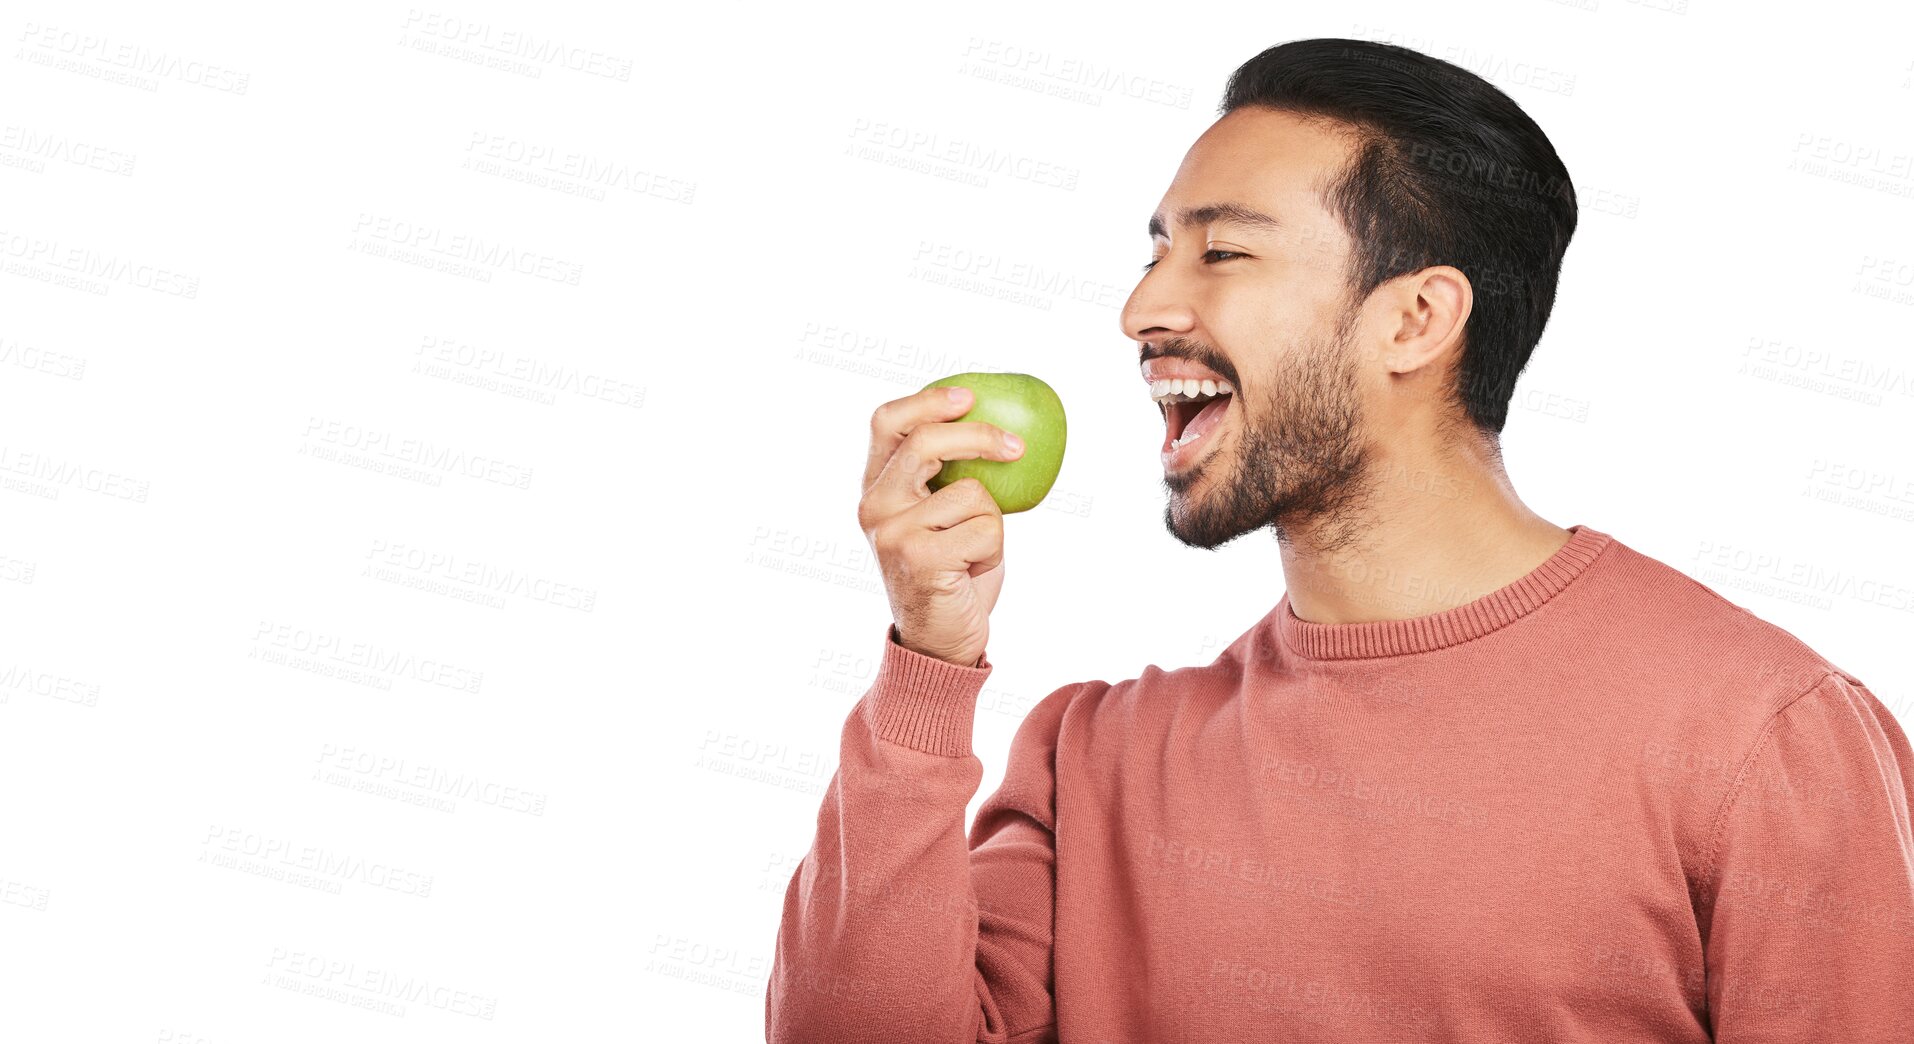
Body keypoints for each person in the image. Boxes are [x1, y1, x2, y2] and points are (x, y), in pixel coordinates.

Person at [766, 36, 1914, 1043]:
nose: (1142, 310)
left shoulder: (1769, 738)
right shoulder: (1091, 763)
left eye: (1221, 253)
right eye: (1156, 248)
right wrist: (930, 662)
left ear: (1415, 318)